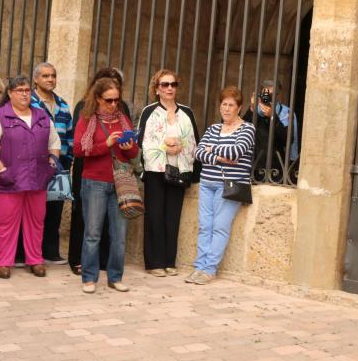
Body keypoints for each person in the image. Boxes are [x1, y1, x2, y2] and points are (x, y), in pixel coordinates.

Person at [0, 76, 60, 279]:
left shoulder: (42, 116)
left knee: (36, 222)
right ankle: (4, 262)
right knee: (6, 223)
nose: (24, 93)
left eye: (27, 90)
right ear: (10, 93)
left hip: (37, 180)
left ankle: (35, 260)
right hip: (9, 181)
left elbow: (55, 142)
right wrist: (1, 171)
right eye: (19, 90)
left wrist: (52, 163)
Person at [73, 77, 138, 293]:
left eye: (116, 100)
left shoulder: (123, 119)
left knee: (119, 235)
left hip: (120, 183)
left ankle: (115, 277)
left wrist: (128, 147)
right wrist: (106, 144)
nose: (113, 105)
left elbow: (134, 153)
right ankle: (89, 278)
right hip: (94, 182)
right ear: (98, 99)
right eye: (108, 100)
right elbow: (79, 150)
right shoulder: (87, 119)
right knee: (92, 233)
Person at [189, 87, 255, 284]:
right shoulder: (212, 129)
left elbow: (236, 151)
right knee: (204, 226)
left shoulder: (247, 129)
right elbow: (197, 152)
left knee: (219, 227)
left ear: (239, 108)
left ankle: (209, 269)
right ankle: (199, 267)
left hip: (230, 184)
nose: (226, 109)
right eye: (224, 104)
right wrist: (219, 156)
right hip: (207, 182)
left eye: (231, 105)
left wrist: (212, 149)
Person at [137, 69, 199, 277]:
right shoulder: (149, 111)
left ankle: (169, 260)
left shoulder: (187, 112)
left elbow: (194, 141)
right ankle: (154, 263)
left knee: (173, 216)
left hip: (179, 170)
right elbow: (142, 142)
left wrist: (181, 146)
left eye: (173, 84)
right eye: (165, 85)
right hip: (155, 171)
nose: (170, 88)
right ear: (157, 89)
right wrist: (164, 147)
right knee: (154, 215)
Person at [31, 62, 73, 265]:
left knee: (55, 211)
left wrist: (67, 159)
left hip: (59, 167)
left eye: (53, 76)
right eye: (45, 76)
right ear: (36, 79)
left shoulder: (63, 104)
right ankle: (31, 251)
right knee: (34, 210)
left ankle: (50, 251)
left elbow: (70, 136)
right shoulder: (28, 101)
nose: (50, 79)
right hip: (34, 167)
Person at [243, 79, 299, 182]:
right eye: (266, 94)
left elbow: (289, 140)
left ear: (278, 95)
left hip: (276, 167)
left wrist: (273, 117)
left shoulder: (286, 113)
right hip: (253, 166)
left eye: (272, 94)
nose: (268, 97)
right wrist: (251, 108)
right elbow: (241, 130)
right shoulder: (254, 110)